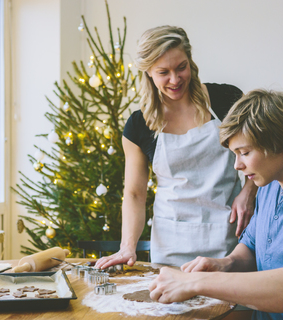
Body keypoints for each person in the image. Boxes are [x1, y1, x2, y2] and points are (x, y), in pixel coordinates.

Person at [148, 89, 283, 319]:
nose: (237, 165)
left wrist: (197, 282)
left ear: (280, 144)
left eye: (244, 152)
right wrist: (225, 263)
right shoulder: (270, 187)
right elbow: (251, 249)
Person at [95, 25, 258, 269]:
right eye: (163, 72)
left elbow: (258, 151)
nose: (175, 79)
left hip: (229, 235)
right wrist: (127, 245)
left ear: (190, 61)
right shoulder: (139, 126)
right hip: (171, 243)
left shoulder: (227, 100)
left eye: (181, 67)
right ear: (148, 72)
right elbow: (135, 194)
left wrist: (248, 192)